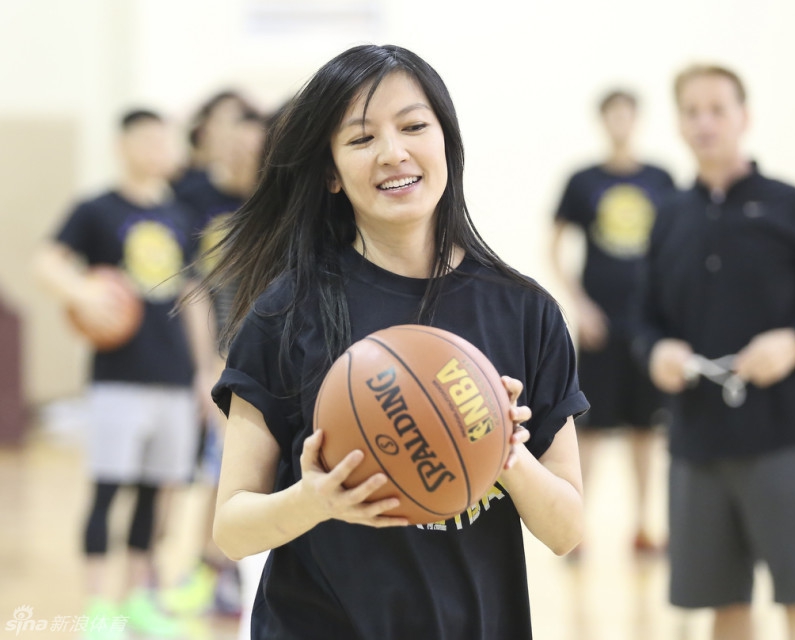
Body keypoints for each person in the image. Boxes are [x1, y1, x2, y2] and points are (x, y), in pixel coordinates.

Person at [197, 44, 588, 639]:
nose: (393, 152)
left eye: (413, 126)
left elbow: (565, 531)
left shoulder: (524, 311)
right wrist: (316, 499)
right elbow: (231, 527)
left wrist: (504, 452)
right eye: (360, 139)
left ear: (447, 145)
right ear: (329, 171)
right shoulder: (286, 311)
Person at [634, 65, 795, 640]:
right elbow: (642, 319)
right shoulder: (668, 218)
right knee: (724, 609)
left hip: (784, 436)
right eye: (692, 110)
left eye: (717, 109)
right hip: (696, 444)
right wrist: (656, 350)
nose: (705, 122)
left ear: (744, 117)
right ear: (680, 123)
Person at [34, 110, 214, 640]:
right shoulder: (96, 209)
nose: (159, 146)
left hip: (174, 377)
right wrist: (81, 292)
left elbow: (193, 297)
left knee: (155, 493)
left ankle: (138, 599)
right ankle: (97, 608)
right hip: (118, 376)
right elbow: (47, 261)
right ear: (123, 145)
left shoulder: (181, 215)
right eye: (148, 137)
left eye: (165, 138)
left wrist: (204, 371)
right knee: (107, 490)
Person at [550, 89, 675, 556]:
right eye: (613, 115)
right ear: (604, 121)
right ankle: (576, 527)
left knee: (646, 429)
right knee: (592, 429)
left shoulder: (662, 178)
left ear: (636, 119)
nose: (620, 122)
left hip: (646, 329)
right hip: (599, 329)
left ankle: (644, 528)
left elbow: (674, 248)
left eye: (627, 114)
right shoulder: (583, 181)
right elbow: (554, 246)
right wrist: (581, 306)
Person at [161, 110, 269, 620]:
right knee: (217, 470)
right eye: (234, 147)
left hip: (266, 359)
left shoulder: (279, 210)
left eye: (253, 150)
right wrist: (208, 364)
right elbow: (199, 290)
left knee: (239, 470)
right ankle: (205, 568)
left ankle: (221, 571)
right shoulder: (199, 202)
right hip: (226, 358)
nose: (242, 157)